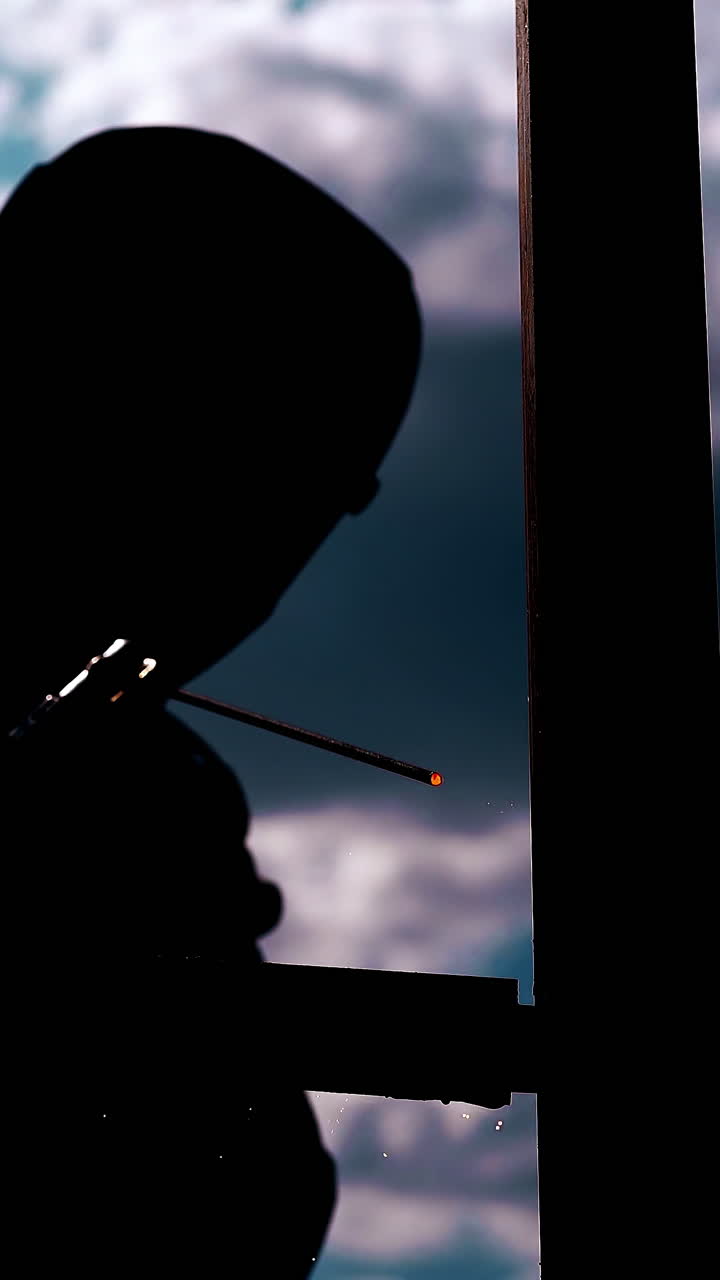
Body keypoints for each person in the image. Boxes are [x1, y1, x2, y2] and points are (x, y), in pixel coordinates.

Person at [2, 125, 422, 1276]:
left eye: (303, 510)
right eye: (239, 484)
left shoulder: (142, 807)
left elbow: (247, 1213)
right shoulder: (132, 806)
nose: (249, 578)